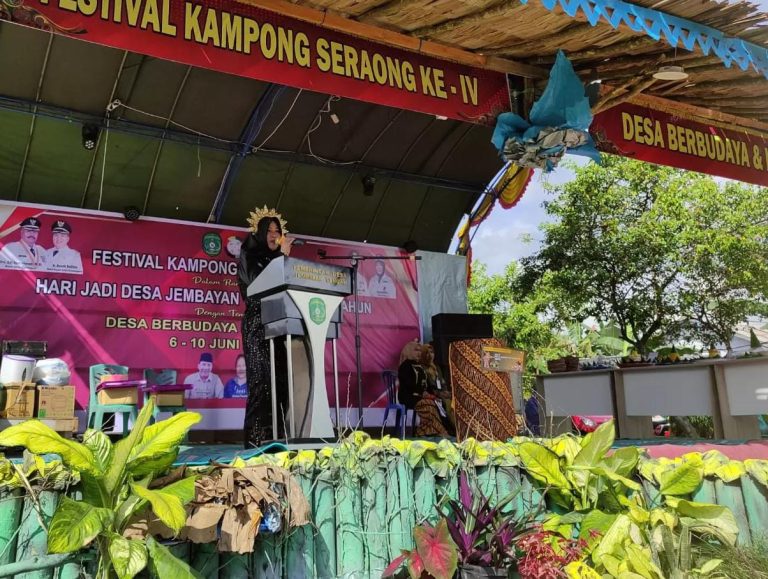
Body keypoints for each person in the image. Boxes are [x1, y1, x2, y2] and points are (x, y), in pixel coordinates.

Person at [238, 208, 294, 448]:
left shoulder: (280, 259)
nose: (274, 235)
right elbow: (257, 284)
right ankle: (255, 440)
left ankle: (279, 437)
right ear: (260, 233)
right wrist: (280, 258)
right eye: (269, 231)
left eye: (277, 231)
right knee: (262, 382)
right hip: (257, 325)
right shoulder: (249, 253)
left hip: (281, 324)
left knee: (282, 382)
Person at [398, 340, 454, 438]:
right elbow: (409, 385)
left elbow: (427, 385)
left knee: (436, 403)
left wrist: (434, 395)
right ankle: (439, 431)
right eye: (416, 350)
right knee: (429, 404)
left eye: (420, 351)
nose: (419, 353)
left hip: (421, 396)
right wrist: (423, 394)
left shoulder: (419, 367)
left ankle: (423, 432)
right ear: (409, 351)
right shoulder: (405, 366)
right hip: (409, 396)